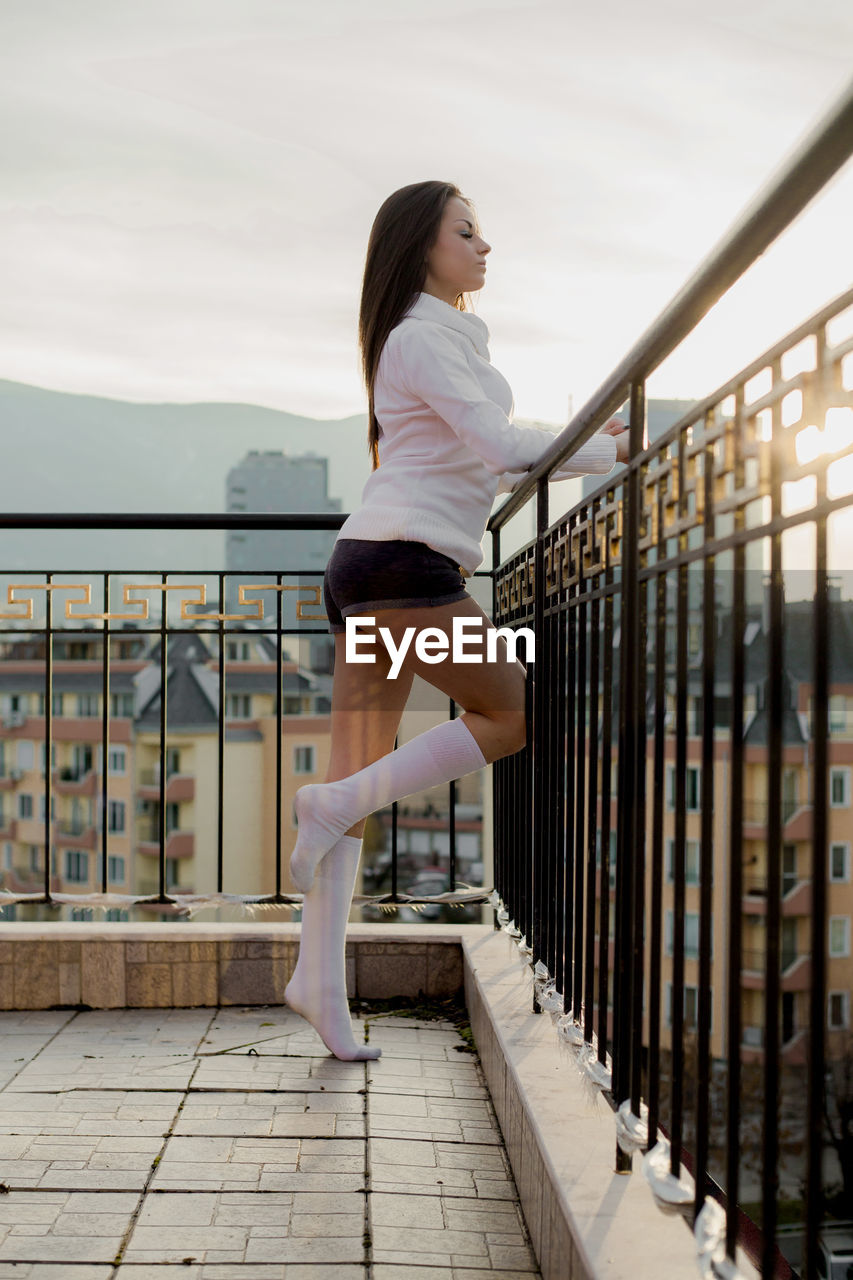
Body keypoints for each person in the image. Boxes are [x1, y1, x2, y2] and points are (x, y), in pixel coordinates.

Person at [284, 180, 631, 1060]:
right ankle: (335, 804)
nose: (484, 247)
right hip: (403, 567)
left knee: (350, 789)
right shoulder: (422, 337)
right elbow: (507, 448)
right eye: (466, 232)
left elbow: (496, 455)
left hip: (372, 565)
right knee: (510, 710)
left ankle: (318, 986)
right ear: (421, 244)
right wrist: (615, 446)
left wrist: (603, 446)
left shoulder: (424, 336)